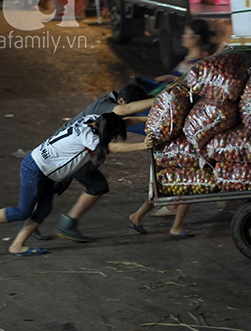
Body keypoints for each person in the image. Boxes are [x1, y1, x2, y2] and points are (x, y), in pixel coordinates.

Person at [0, 113, 153, 256]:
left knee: (44, 209)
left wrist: (147, 118)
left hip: (45, 171)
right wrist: (142, 145)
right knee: (22, 211)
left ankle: (17, 245)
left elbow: (122, 121)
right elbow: (113, 147)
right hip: (36, 169)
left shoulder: (93, 119)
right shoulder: (90, 137)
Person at [25, 83, 154, 242]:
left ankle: (29, 223)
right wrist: (160, 99)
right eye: (133, 106)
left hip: (67, 151)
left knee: (55, 187)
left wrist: (150, 118)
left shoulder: (110, 109)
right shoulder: (107, 106)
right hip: (69, 151)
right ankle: (66, 225)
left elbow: (125, 120)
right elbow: (114, 142)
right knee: (97, 186)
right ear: (121, 101)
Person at [134, 19, 212, 95]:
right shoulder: (191, 58)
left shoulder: (196, 63)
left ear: (196, 38)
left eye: (186, 33)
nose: (183, 36)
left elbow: (187, 85)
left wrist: (170, 78)